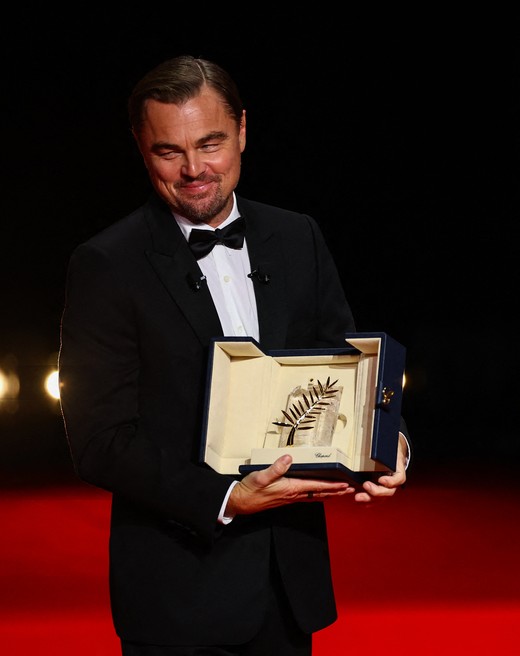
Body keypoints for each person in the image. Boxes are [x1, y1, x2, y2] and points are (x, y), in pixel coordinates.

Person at [58, 55, 410, 655]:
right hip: (177, 596)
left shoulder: (298, 237)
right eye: (169, 150)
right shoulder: (106, 265)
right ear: (141, 149)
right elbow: (99, 440)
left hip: (287, 583)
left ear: (243, 131)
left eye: (211, 143)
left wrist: (384, 440)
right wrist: (223, 498)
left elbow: (349, 371)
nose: (194, 169)